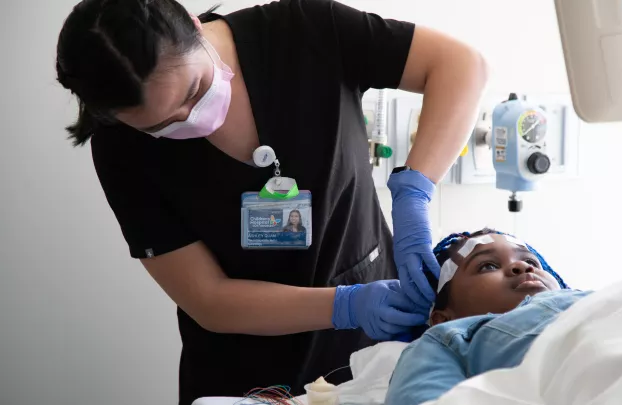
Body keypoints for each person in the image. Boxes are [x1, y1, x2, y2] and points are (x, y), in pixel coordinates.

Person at [54, 0, 487, 403]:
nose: (191, 120)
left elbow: (459, 65)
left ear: (192, 25)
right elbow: (209, 299)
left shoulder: (304, 31)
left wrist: (413, 191)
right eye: (161, 126)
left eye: (194, 91)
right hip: (247, 375)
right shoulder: (119, 148)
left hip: (379, 343)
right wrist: (345, 304)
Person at [384, 229, 589, 405]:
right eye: (488, 266)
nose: (523, 267)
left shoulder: (589, 300)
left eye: (530, 260)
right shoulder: (444, 340)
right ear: (443, 319)